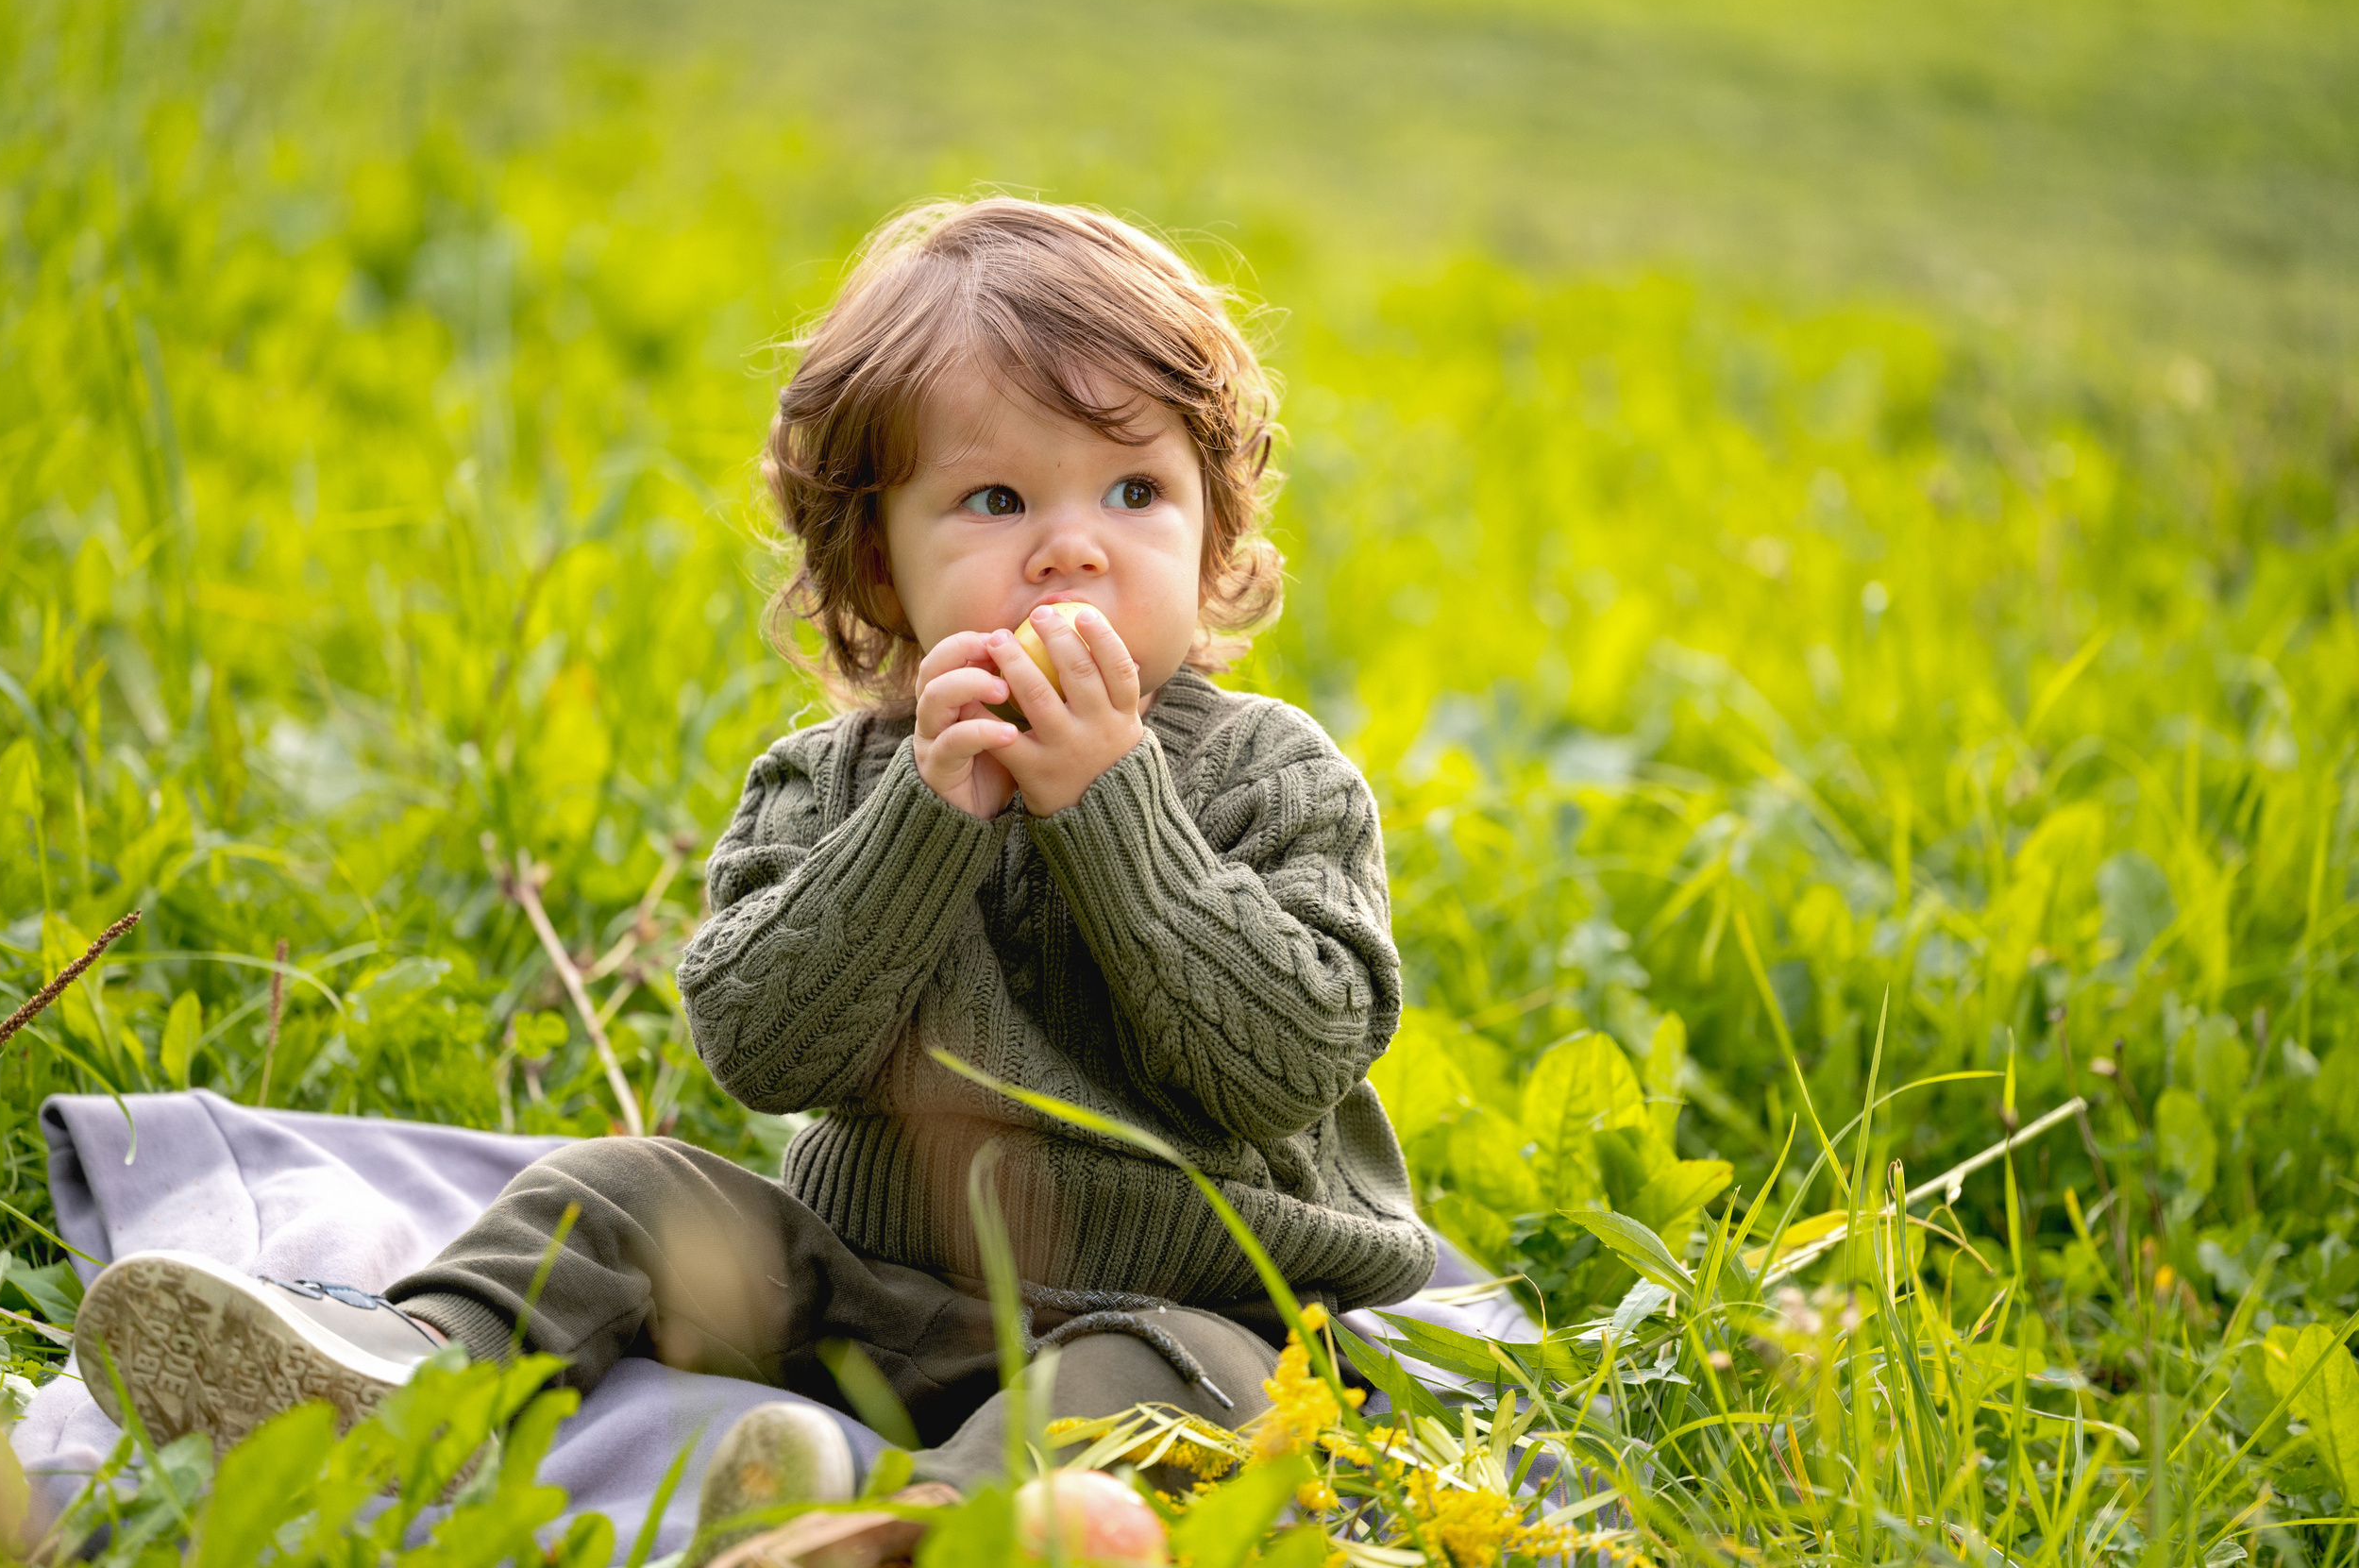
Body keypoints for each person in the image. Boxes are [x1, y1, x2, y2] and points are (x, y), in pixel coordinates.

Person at [71, 196, 1435, 1566]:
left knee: (1173, 1381)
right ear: (879, 569)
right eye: (997, 499)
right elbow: (763, 1046)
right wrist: (921, 822)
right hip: (875, 1286)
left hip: (1192, 1303)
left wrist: (1112, 807)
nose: (1072, 548)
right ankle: (411, 1375)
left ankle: (891, 1536)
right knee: (624, 1187)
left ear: (1213, 537)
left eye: (1136, 493)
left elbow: (1286, 1060)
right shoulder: (836, 783)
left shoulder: (1275, 777)